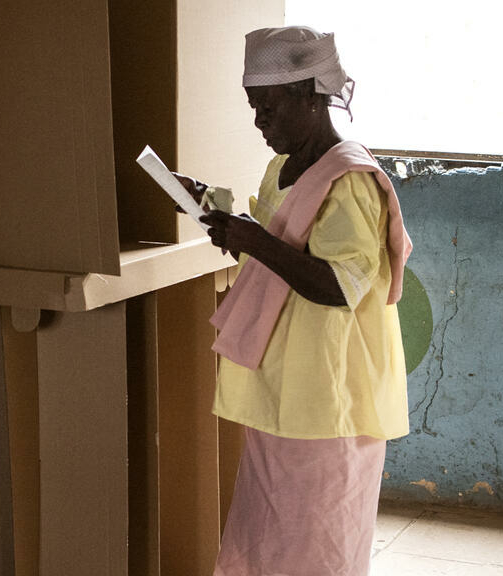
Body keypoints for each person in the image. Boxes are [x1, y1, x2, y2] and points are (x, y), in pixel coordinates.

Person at [176, 26, 413, 576]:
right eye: (253, 108)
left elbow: (339, 286)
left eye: (269, 108)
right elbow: (278, 249)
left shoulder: (348, 178)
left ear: (309, 94)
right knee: (271, 534)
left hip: (328, 395)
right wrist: (218, 213)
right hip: (279, 384)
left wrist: (253, 240)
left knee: (316, 539)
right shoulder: (284, 166)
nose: (260, 123)